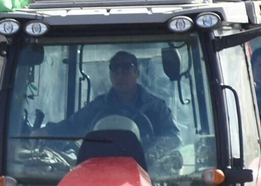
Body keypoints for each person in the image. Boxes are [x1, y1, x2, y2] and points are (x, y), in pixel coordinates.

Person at [49, 50, 179, 146]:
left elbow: (173, 137)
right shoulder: (98, 106)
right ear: (110, 75)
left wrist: (154, 149)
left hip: (147, 171)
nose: (120, 73)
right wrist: (45, 133)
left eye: (126, 68)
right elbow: (71, 126)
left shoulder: (156, 107)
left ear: (137, 73)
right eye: (115, 69)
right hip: (101, 169)